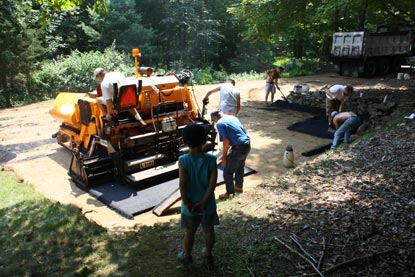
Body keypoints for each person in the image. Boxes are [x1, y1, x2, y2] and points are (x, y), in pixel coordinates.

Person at [177, 123, 219, 266]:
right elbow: (212, 185)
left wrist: (187, 202)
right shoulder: (212, 160)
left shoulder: (183, 161)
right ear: (204, 141)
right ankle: (208, 254)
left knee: (190, 232)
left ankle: (187, 256)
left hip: (190, 206)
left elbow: (182, 184)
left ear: (184, 142)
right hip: (207, 205)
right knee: (209, 230)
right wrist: (203, 202)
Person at [210, 110, 251, 200]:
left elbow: (226, 142)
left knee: (227, 172)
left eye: (213, 121)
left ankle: (230, 193)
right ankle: (238, 188)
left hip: (238, 147)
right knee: (239, 168)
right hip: (246, 144)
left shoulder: (219, 124)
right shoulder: (232, 117)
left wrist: (224, 157)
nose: (214, 122)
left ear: (215, 118)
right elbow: (239, 132)